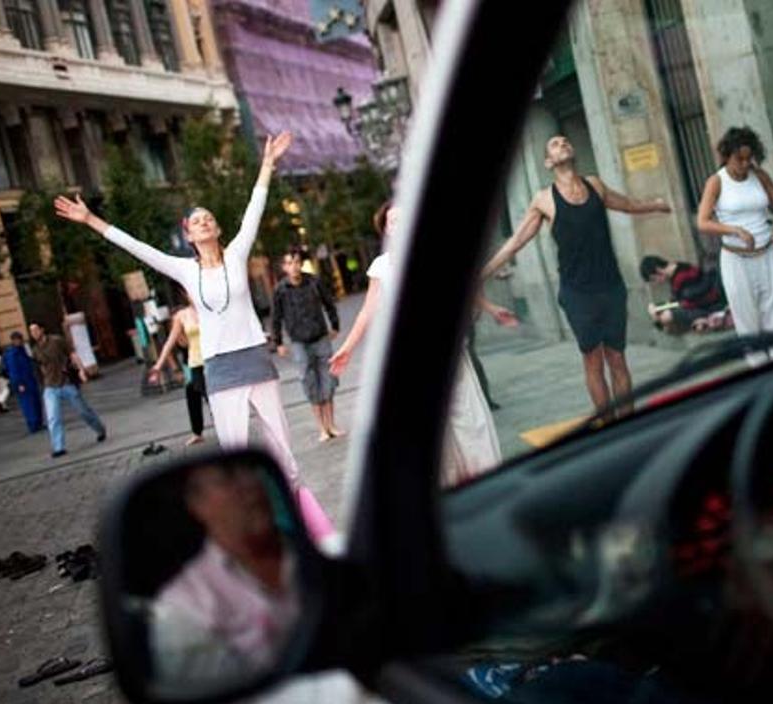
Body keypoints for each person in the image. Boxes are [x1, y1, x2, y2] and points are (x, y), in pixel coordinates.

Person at [54, 132, 333, 540]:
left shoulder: (237, 254)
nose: (203, 222)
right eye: (195, 221)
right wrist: (91, 221)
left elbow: (255, 208)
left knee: (285, 455)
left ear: (217, 228)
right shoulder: (184, 270)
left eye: (208, 218)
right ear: (189, 235)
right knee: (237, 460)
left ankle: (308, 528)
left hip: (255, 360)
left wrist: (268, 163)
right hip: (220, 371)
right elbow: (137, 248)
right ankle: (262, 533)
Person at [482, 135, 672, 415]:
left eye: (566, 141)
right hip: (577, 294)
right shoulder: (544, 200)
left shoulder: (594, 184)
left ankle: (629, 424)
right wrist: (482, 274)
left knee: (618, 359)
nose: (564, 144)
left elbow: (628, 204)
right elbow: (516, 242)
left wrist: (656, 204)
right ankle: (609, 428)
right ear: (548, 162)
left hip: (611, 286)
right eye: (556, 144)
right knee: (593, 361)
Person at [331, 203, 514, 486]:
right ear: (385, 230)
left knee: (468, 421)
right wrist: (347, 347)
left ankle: (486, 477)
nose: (399, 225)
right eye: (393, 221)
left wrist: (492, 309)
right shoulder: (381, 266)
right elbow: (367, 310)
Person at [150, 462, 300, 683]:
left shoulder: (304, 547)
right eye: (227, 477)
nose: (249, 484)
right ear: (196, 503)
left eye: (251, 470)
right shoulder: (182, 609)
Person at [696, 126, 773, 364]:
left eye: (749, 158)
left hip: (767, 254)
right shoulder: (716, 182)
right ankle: (760, 368)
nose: (745, 164)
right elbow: (702, 222)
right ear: (727, 155)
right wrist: (733, 229)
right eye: (739, 159)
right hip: (736, 259)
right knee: (747, 319)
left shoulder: (759, 176)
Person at [272, 247, 344, 442]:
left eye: (296, 262)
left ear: (300, 263)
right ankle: (321, 428)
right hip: (299, 343)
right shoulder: (280, 290)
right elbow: (276, 317)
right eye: (289, 263)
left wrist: (335, 325)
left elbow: (329, 304)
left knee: (328, 379)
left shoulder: (314, 281)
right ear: (284, 267)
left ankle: (331, 425)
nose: (293, 267)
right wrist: (278, 342)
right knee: (309, 381)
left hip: (320, 337)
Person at [29, 322, 106, 458]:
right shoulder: (35, 350)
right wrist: (43, 382)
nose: (34, 334)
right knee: (53, 418)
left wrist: (82, 370)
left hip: (66, 382)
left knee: (83, 411)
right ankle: (59, 447)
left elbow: (72, 355)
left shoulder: (57, 341)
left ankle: (100, 429)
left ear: (42, 329)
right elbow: (40, 366)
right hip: (50, 386)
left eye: (35, 330)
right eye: (31, 332)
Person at [148, 294, 210, 446]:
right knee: (202, 393)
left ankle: (224, 430)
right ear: (185, 295)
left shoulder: (210, 309)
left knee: (211, 396)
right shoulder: (181, 316)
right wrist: (158, 366)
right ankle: (199, 432)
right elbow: (169, 343)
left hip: (213, 359)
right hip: (196, 363)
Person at [639, 255, 729, 334]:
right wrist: (659, 307)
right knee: (665, 314)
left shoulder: (681, 276)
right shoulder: (676, 272)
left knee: (668, 316)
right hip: (704, 303)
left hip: (713, 304)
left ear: (658, 270)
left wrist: (659, 315)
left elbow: (687, 303)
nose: (657, 282)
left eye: (654, 279)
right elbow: (678, 301)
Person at [2, 331, 43, 433]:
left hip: (29, 379)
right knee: (28, 404)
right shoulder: (12, 354)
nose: (20, 341)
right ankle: (33, 424)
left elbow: (31, 361)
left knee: (35, 401)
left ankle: (38, 422)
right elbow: (13, 370)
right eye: (18, 339)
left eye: (20, 339)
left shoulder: (23, 350)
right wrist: (19, 383)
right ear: (13, 340)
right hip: (22, 382)